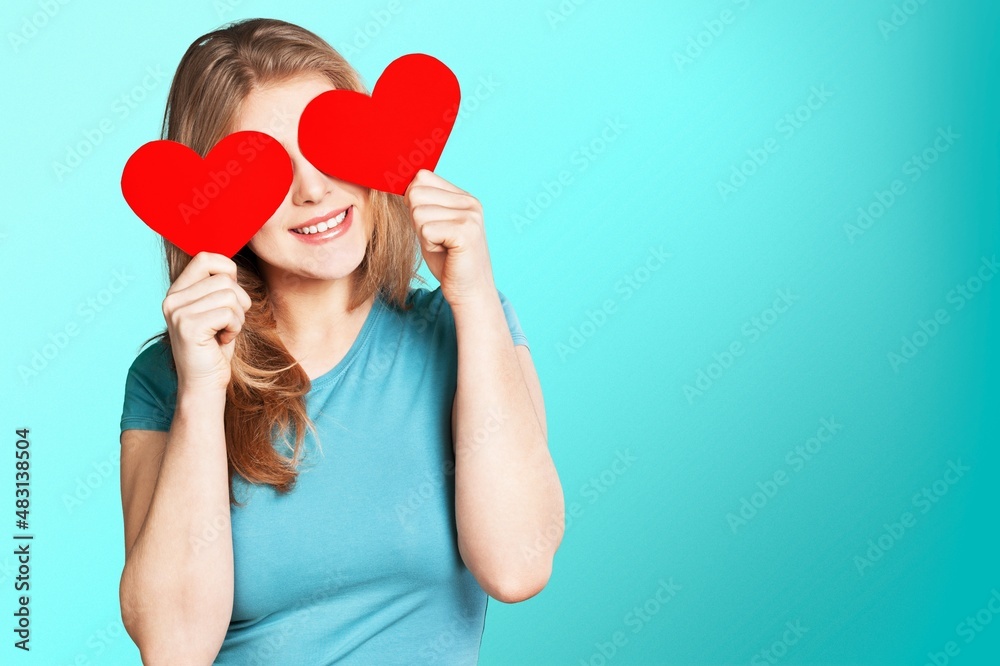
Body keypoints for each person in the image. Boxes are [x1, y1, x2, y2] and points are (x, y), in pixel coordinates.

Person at [117, 18, 563, 665]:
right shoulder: (169, 377)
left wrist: (474, 295)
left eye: (324, 146)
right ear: (217, 200)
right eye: (267, 168)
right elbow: (172, 648)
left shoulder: (467, 329)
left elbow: (519, 564)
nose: (313, 189)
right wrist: (202, 391)